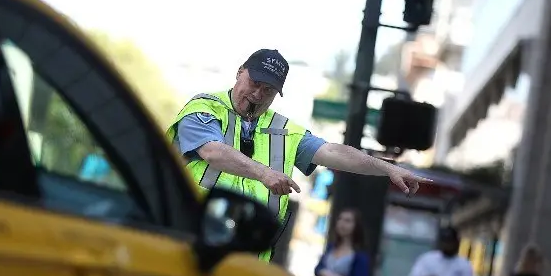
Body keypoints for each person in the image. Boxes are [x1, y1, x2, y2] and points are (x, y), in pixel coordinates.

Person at [166, 49, 429, 261]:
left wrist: (387, 168)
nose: (257, 94)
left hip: (247, 266)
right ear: (239, 72)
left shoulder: (283, 129)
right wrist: (264, 173)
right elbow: (213, 151)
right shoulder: (205, 108)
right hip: (190, 249)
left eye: (268, 90)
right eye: (254, 83)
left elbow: (333, 151)